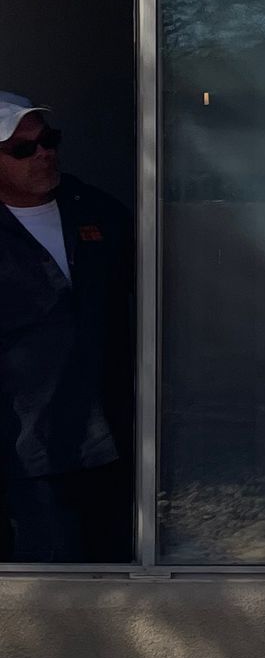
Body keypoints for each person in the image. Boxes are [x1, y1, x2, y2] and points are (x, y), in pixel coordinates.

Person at [0, 95, 135, 562]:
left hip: (113, 434)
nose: (43, 154)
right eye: (22, 149)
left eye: (49, 141)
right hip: (31, 446)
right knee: (53, 571)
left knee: (118, 563)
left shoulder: (91, 207)